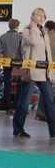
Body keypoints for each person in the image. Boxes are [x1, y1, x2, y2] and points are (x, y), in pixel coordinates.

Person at [13, 8, 55, 138]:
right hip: (30, 72)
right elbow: (34, 42)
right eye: (39, 15)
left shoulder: (44, 32)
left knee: (50, 101)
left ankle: (53, 131)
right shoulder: (27, 31)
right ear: (32, 16)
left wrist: (51, 72)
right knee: (24, 103)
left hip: (44, 72)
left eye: (43, 16)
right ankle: (18, 129)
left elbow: (48, 54)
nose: (41, 18)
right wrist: (33, 26)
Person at [0, 19, 22, 113]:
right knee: (19, 85)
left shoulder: (2, 37)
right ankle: (16, 105)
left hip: (6, 64)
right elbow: (23, 51)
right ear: (17, 26)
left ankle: (7, 106)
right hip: (18, 64)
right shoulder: (21, 37)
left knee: (7, 84)